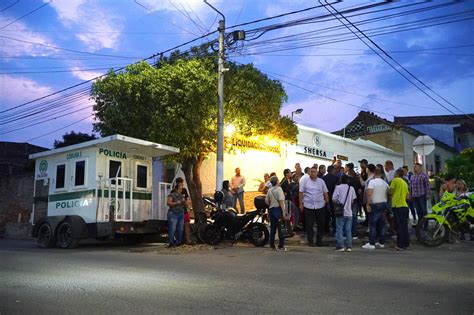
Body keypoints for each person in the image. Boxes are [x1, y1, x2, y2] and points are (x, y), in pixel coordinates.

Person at [299, 166, 329, 247]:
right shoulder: (305, 181)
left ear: (317, 172)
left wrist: (327, 201)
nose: (312, 173)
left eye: (314, 172)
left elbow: (325, 192)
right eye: (311, 172)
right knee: (309, 224)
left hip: (320, 206)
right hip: (308, 206)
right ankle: (311, 241)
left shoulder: (321, 181)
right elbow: (301, 192)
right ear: (309, 172)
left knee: (321, 224)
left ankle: (319, 241)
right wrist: (300, 204)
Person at [362, 168, 389, 250]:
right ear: (381, 174)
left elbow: (369, 194)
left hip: (375, 204)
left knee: (372, 224)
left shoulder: (372, 182)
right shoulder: (385, 183)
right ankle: (381, 242)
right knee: (382, 224)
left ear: (374, 174)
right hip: (384, 203)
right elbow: (389, 192)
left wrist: (368, 204)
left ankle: (372, 243)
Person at [333, 175, 357, 252]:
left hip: (340, 212)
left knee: (339, 228)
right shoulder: (351, 188)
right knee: (348, 229)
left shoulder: (338, 187)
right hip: (349, 212)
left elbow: (334, 198)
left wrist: (338, 202)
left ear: (340, 179)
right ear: (348, 180)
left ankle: (340, 246)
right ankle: (349, 246)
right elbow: (353, 200)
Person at [266, 176, 290, 251]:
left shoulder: (270, 190)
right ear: (277, 182)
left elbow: (266, 201)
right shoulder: (279, 189)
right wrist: (283, 212)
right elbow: (281, 201)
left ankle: (272, 245)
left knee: (273, 228)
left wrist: (271, 204)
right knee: (281, 228)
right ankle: (281, 245)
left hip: (271, 210)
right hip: (278, 209)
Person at [390, 169, 410, 251]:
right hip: (404, 205)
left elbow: (390, 191)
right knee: (404, 226)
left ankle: (400, 245)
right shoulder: (404, 182)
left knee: (399, 227)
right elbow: (408, 196)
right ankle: (406, 244)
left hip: (397, 205)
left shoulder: (395, 180)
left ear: (397, 174)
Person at [166, 181, 187, 247]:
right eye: (179, 189)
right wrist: (176, 203)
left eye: (181, 189)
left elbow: (184, 203)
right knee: (172, 228)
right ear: (176, 189)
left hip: (181, 213)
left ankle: (179, 242)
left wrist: (185, 203)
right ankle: (171, 242)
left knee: (180, 228)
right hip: (173, 213)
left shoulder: (181, 196)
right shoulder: (172, 195)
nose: (181, 190)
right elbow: (168, 203)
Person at [175, 177, 193, 245]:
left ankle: (188, 240)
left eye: (182, 183)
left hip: (184, 210)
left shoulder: (184, 190)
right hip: (177, 211)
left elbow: (187, 199)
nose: (182, 185)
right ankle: (178, 241)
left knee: (187, 224)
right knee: (178, 227)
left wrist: (187, 205)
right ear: (177, 183)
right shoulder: (174, 191)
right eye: (181, 183)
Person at [323, 165, 339, 236]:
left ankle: (326, 230)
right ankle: (335, 230)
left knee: (326, 216)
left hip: (325, 198)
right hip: (334, 199)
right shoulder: (336, 178)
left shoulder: (323, 178)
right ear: (333, 170)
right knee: (335, 216)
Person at [346, 163, 361, 239]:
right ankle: (354, 233)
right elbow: (359, 190)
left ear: (348, 168)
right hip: (355, 199)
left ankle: (348, 233)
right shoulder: (356, 178)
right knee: (354, 217)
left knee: (347, 217)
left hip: (347, 200)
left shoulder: (346, 179)